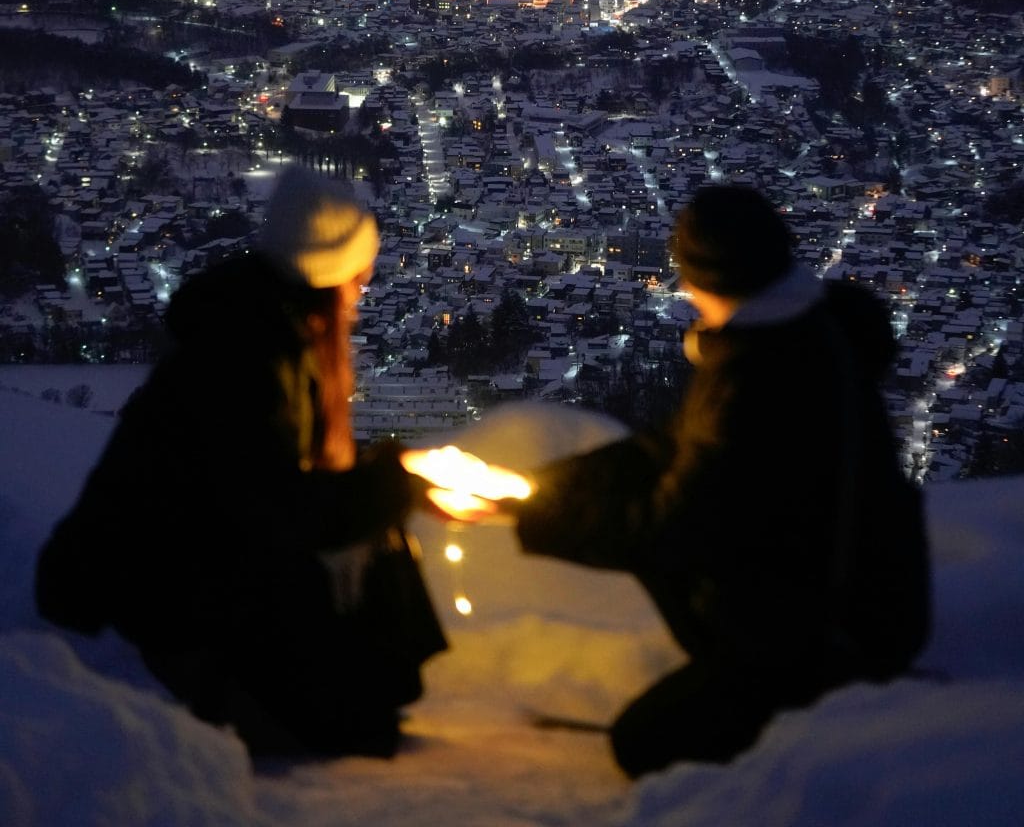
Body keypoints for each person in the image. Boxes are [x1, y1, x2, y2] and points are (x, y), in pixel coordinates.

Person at [511, 184, 932, 778]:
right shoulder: (799, 333)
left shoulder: (756, 380)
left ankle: (795, 745)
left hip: (831, 631)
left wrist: (534, 515)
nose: (682, 290)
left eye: (686, 275)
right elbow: (675, 450)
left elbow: (675, 526)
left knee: (643, 744)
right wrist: (550, 483)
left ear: (711, 279)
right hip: (851, 596)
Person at [35, 164, 447, 759]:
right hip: (164, 598)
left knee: (378, 522)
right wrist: (393, 486)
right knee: (357, 718)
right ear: (329, 278)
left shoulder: (263, 325)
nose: (364, 290)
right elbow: (272, 513)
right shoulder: (248, 360)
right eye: (359, 276)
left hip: (203, 570)